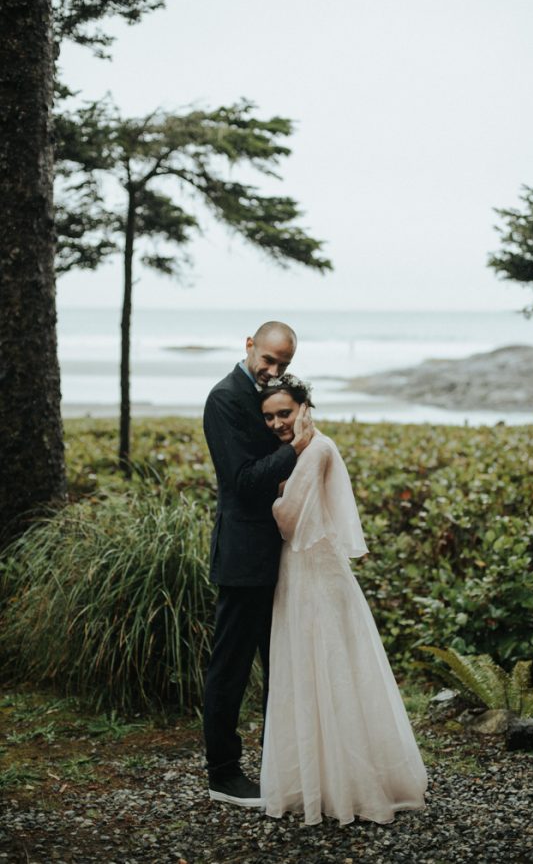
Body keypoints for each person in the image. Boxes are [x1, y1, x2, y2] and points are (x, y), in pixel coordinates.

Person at [259, 374, 428, 825]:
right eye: (270, 416)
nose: (277, 422)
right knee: (323, 666)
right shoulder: (309, 447)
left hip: (311, 571)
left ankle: (342, 782)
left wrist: (273, 497)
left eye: (285, 413)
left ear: (304, 408)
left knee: (326, 666)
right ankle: (323, 776)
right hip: (312, 568)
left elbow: (290, 520)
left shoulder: (313, 450)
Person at [202, 322, 314, 807]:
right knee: (229, 668)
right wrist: (295, 448)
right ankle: (223, 774)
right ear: (249, 345)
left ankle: (278, 766)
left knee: (281, 668)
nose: (273, 371)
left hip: (283, 554)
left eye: (282, 365)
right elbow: (244, 482)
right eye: (267, 360)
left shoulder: (279, 398)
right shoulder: (224, 399)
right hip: (244, 556)